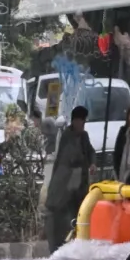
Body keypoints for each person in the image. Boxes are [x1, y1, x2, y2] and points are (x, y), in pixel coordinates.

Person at [45, 105, 96, 252]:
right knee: (67, 219)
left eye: (84, 121)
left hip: (80, 185)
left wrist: (92, 163)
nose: (83, 124)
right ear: (75, 121)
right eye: (81, 121)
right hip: (67, 187)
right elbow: (69, 159)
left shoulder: (84, 136)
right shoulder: (67, 136)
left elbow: (91, 151)